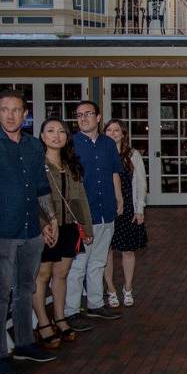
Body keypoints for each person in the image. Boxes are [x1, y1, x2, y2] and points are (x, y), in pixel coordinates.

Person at [0, 90, 60, 374]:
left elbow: (41, 186)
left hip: (31, 229)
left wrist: (49, 220)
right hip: (1, 231)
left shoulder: (33, 146)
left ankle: (24, 343)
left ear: (25, 114)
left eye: (16, 110)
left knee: (26, 290)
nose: (10, 115)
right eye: (5, 109)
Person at [33, 118, 95, 348]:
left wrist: (86, 227)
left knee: (62, 273)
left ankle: (60, 317)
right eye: (50, 131)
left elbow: (80, 199)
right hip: (47, 228)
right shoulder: (36, 164)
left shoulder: (70, 165)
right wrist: (42, 225)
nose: (56, 135)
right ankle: (43, 323)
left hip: (69, 226)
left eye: (61, 131)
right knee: (42, 275)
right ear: (41, 136)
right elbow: (31, 199)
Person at [64, 100, 123, 324]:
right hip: (82, 213)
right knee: (79, 264)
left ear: (98, 117)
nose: (83, 118)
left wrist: (119, 198)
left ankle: (96, 303)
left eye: (88, 114)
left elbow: (114, 172)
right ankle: (71, 310)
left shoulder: (108, 143)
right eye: (79, 115)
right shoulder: (71, 145)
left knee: (99, 261)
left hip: (106, 208)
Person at [103, 119, 147, 308]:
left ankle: (127, 288)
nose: (113, 133)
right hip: (105, 207)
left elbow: (140, 183)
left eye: (116, 130)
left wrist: (140, 208)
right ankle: (111, 289)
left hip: (128, 207)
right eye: (109, 130)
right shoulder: (101, 154)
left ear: (123, 134)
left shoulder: (132, 155)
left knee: (127, 250)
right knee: (106, 251)